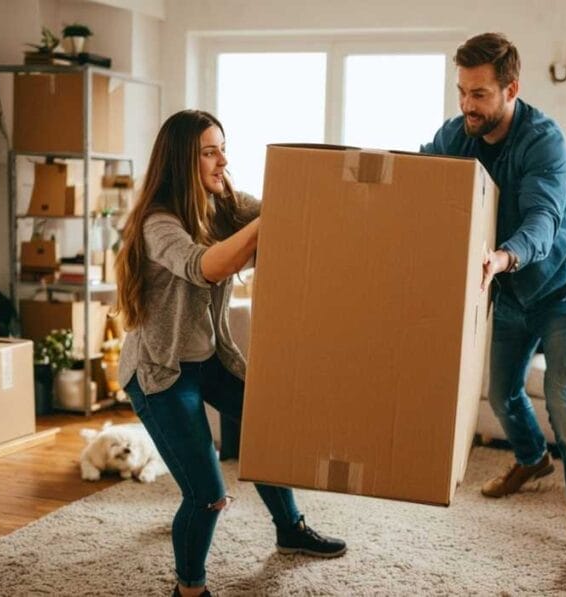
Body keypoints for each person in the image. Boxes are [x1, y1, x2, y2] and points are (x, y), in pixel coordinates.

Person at [422, 33, 566, 594]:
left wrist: (504, 256)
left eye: (480, 94)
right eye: (462, 91)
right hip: (506, 292)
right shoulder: (455, 135)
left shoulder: (544, 142)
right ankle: (532, 460)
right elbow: (421, 180)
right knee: (502, 395)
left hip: (563, 290)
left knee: (565, 406)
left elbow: (542, 220)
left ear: (512, 89)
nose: (467, 104)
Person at [116, 110, 346, 597]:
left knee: (269, 434)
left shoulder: (223, 205)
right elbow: (205, 267)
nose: (223, 160)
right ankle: (189, 590)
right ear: (182, 160)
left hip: (211, 359)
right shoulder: (158, 221)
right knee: (207, 497)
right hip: (162, 371)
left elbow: (288, 213)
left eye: (223, 147)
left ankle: (289, 528)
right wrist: (268, 222)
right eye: (209, 151)